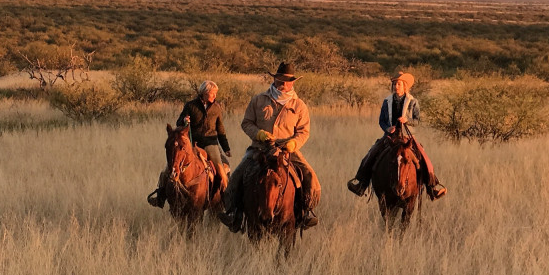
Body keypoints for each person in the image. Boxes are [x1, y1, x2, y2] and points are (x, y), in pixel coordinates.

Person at [218, 62, 321, 231]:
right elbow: (247, 123)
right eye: (281, 79)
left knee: (310, 178)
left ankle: (305, 213)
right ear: (275, 79)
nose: (284, 83)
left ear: (293, 82)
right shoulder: (258, 100)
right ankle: (234, 214)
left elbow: (304, 131)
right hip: (259, 148)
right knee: (236, 177)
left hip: (288, 150)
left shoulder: (299, 105)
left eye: (288, 80)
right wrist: (258, 134)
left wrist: (294, 143)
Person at [346, 71, 447, 199]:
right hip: (390, 137)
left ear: (405, 86)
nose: (396, 86)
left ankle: (431, 187)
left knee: (423, 156)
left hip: (407, 137)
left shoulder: (413, 101)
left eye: (398, 84)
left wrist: (407, 121)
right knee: (371, 153)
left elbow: (417, 120)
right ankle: (361, 184)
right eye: (394, 84)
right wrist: (388, 128)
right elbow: (381, 121)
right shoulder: (386, 101)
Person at [147, 80, 230, 208]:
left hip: (210, 143)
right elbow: (179, 122)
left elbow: (220, 129)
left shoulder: (217, 108)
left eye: (215, 93)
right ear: (205, 92)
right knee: (166, 171)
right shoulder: (191, 106)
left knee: (222, 172)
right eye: (213, 93)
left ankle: (227, 201)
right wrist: (184, 120)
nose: (215, 96)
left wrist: (226, 148)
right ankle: (160, 196)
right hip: (191, 143)